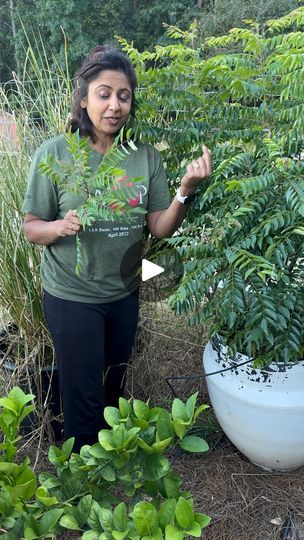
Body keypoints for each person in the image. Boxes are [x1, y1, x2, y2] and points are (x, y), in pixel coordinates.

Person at [22, 45, 212, 453]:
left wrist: (185, 191)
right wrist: (58, 226)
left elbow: (160, 228)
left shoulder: (142, 157)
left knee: (113, 381)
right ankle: (77, 473)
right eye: (103, 93)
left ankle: (108, 458)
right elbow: (31, 227)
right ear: (84, 98)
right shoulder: (55, 154)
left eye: (123, 96)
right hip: (72, 294)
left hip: (124, 292)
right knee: (83, 389)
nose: (114, 105)